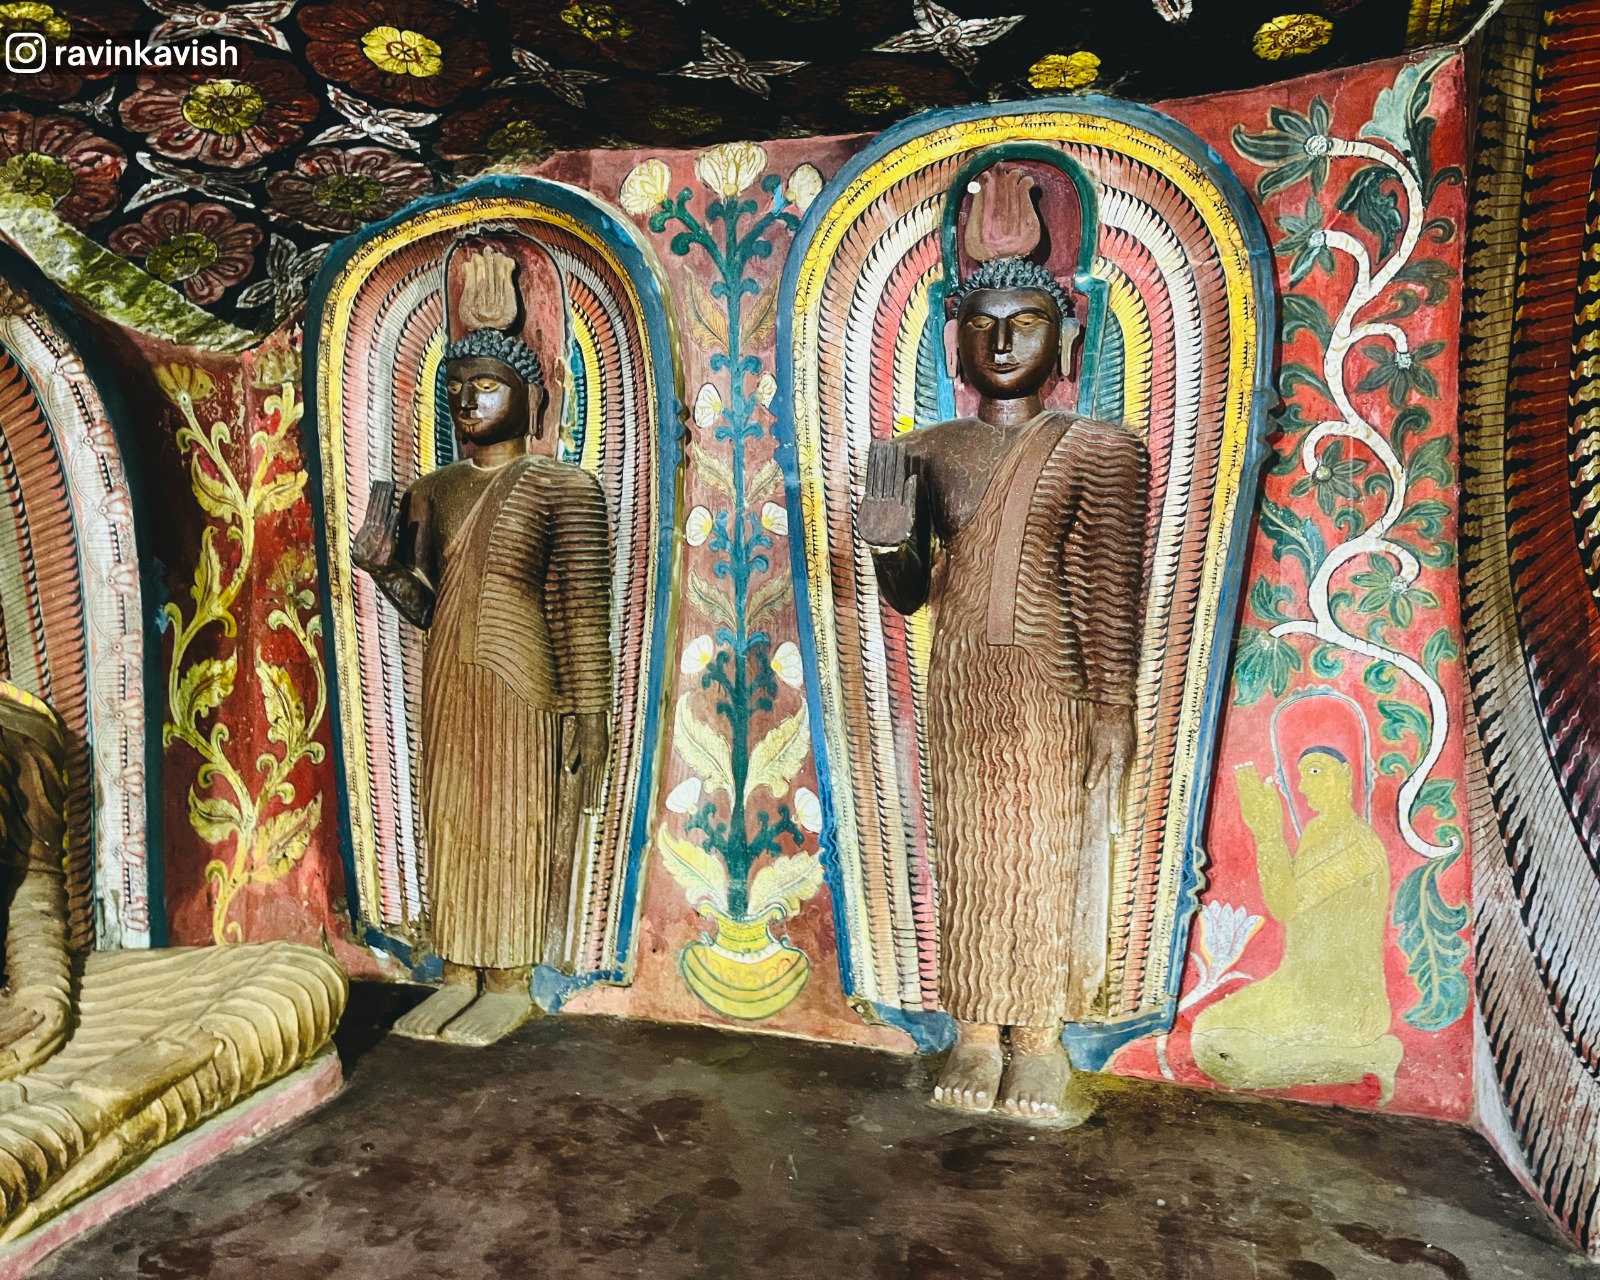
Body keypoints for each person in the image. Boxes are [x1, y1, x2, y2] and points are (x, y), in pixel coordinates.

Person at [857, 182, 1150, 1122]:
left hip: (1051, 679)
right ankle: (975, 1032)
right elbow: (906, 596)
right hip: (962, 682)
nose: (1003, 342)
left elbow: (1111, 590)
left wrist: (1113, 705)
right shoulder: (924, 447)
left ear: (1063, 340)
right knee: (973, 853)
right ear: (958, 341)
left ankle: (1040, 1040)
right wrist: (891, 539)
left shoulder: (1097, 448)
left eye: (1025, 322)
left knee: (1042, 850)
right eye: (982, 326)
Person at [353, 244, 613, 1047]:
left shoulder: (563, 487)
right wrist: (387, 567)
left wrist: (589, 709)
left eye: (487, 387)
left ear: (530, 399)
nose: (468, 402)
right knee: (454, 819)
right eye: (455, 391)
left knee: (511, 820)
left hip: (522, 680)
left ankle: (505, 979)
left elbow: (579, 610)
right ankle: (457, 968)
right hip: (449, 679)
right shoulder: (432, 491)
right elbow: (429, 611)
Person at [1190, 751, 1403, 1103]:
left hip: (1344, 999)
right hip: (1295, 985)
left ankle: (1369, 1055)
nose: (1305, 786)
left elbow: (1285, 903)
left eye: (1317, 772)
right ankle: (1355, 1058)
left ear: (1347, 775)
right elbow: (1285, 904)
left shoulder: (1362, 847)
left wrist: (1269, 835)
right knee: (1207, 1038)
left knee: (1232, 1056)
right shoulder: (1317, 832)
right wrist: (1266, 834)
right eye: (1302, 775)